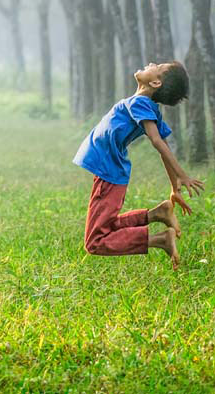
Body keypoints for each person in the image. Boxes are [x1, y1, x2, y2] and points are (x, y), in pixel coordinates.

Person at [74, 61, 204, 269]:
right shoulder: (144, 105)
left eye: (158, 66)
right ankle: (157, 214)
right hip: (109, 171)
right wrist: (174, 188)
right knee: (106, 226)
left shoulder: (141, 103)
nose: (151, 63)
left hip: (109, 173)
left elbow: (157, 141)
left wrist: (181, 175)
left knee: (95, 242)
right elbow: (162, 145)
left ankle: (160, 240)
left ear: (155, 82)